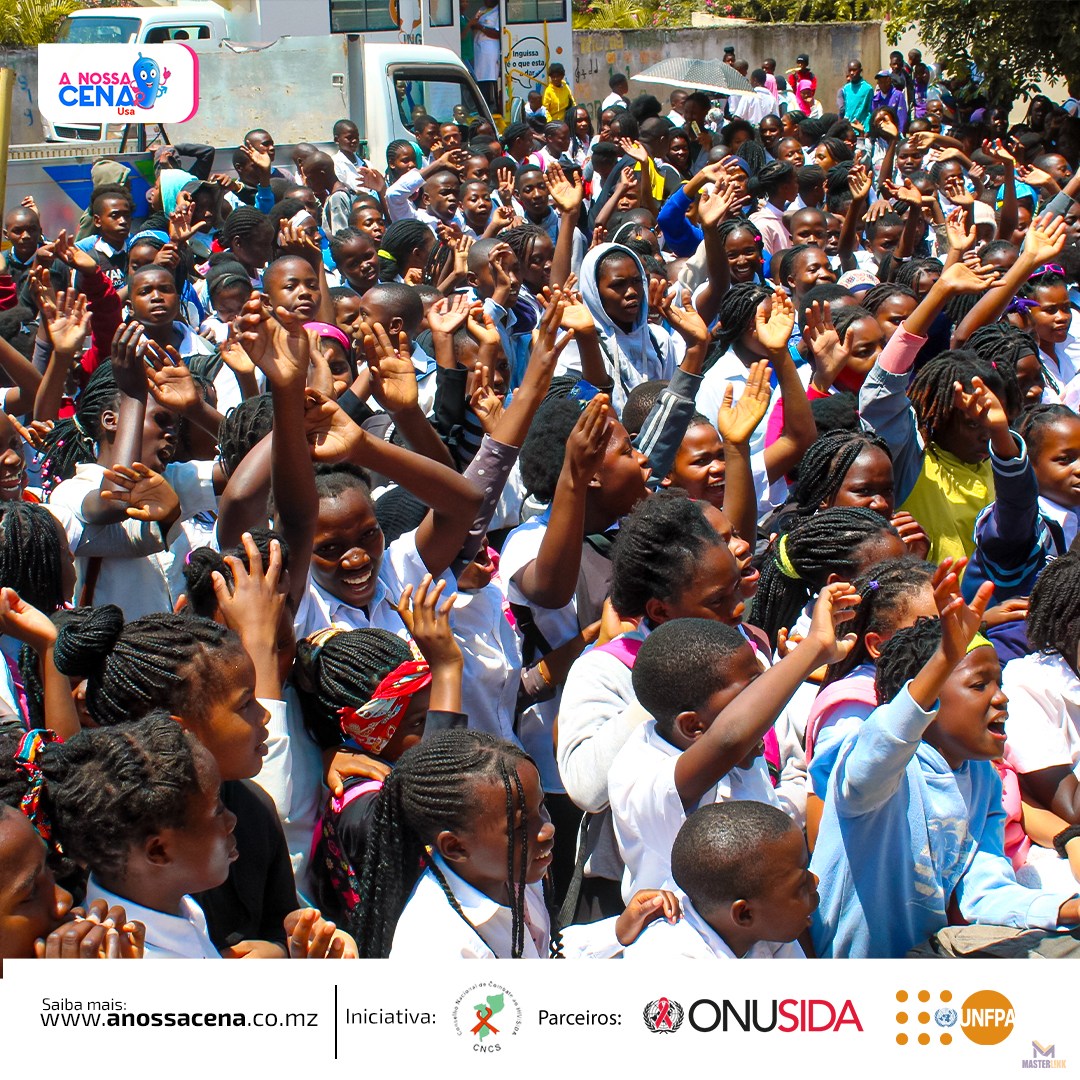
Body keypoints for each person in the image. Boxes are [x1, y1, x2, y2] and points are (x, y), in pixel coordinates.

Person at [812, 562, 1080, 958]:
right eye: (979, 685)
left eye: (999, 683)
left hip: (920, 967)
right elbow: (879, 750)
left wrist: (1064, 908)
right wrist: (943, 659)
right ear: (930, 700)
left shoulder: (982, 780)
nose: (1000, 698)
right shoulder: (879, 767)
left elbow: (985, 891)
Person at [609, 583, 858, 899]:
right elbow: (728, 739)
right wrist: (815, 649)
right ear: (693, 725)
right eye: (750, 696)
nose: (763, 712)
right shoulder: (641, 776)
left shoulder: (744, 757)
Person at [351, 729, 678, 958]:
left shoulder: (515, 875)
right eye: (522, 825)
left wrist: (618, 931)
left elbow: (543, 952)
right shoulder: (438, 947)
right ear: (455, 847)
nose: (547, 829)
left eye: (541, 809)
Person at [624, 800, 816, 959]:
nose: (815, 881)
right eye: (801, 885)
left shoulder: (768, 930)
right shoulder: (667, 959)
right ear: (744, 914)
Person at [469, 0, 502, 112]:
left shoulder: (499, 11)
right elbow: (474, 26)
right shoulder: (482, 10)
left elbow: (498, 33)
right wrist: (475, 22)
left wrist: (479, 26)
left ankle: (491, 106)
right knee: (481, 77)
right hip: (480, 49)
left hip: (490, 49)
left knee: (490, 77)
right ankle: (483, 106)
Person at [838, 60, 873, 136]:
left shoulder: (867, 89)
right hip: (847, 129)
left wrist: (867, 129)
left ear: (860, 71)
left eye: (854, 70)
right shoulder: (846, 88)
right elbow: (845, 109)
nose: (851, 73)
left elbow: (869, 110)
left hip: (861, 129)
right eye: (850, 70)